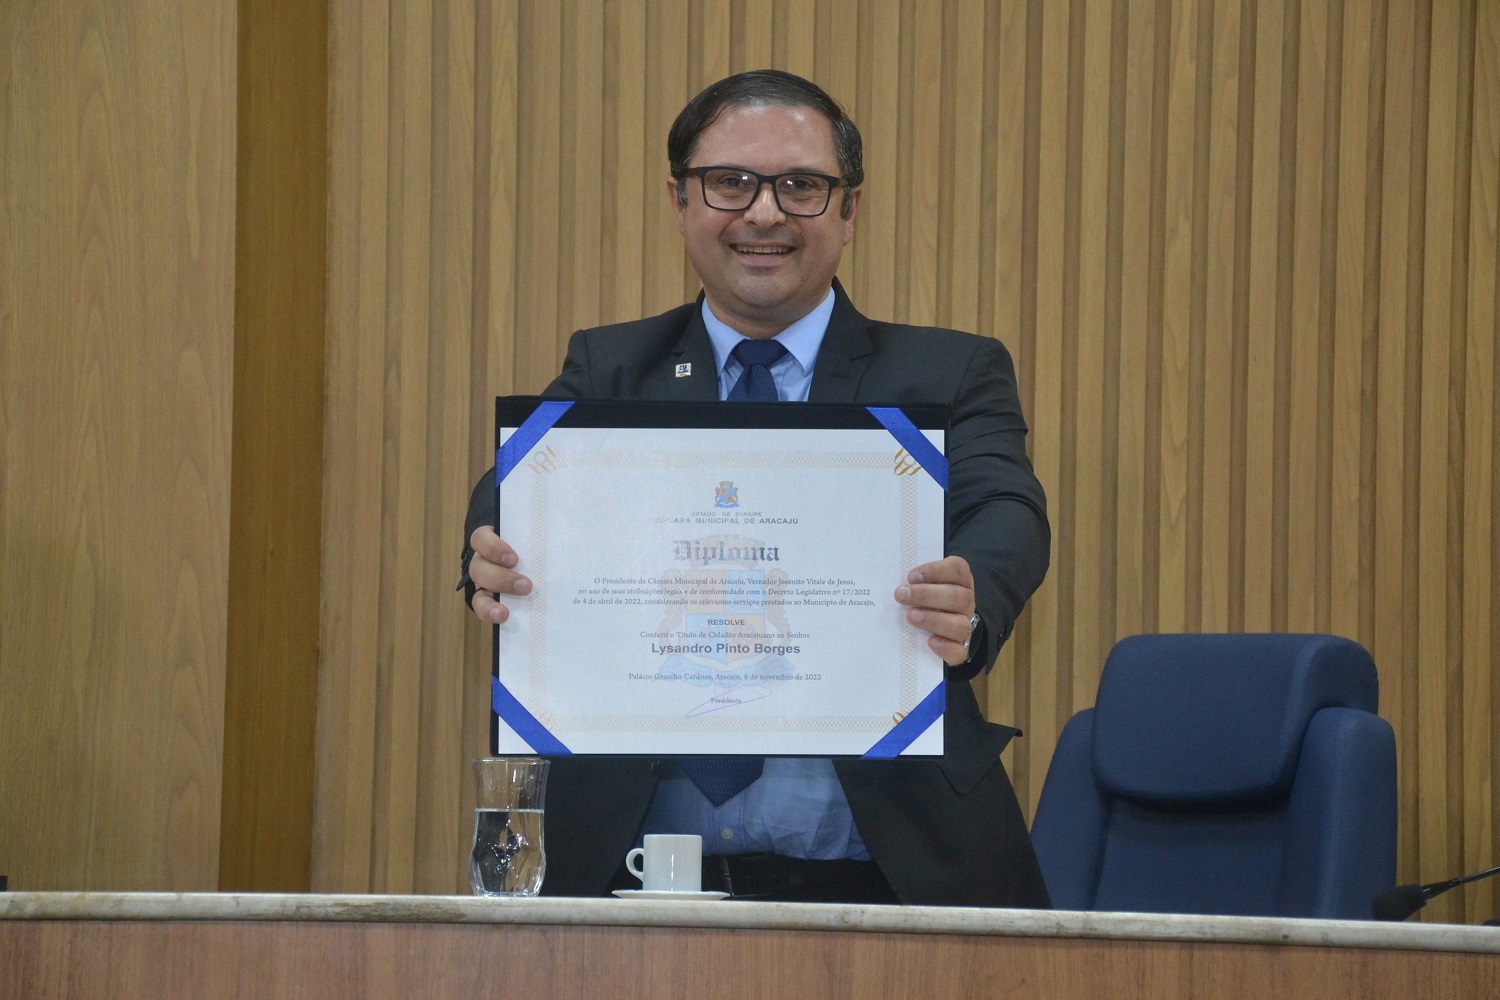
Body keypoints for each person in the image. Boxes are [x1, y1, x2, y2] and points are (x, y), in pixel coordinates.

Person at [461, 70, 1050, 907]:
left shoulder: (949, 371)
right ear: (680, 202)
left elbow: (1007, 509)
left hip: (895, 878)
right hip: (633, 893)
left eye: (802, 187)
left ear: (849, 213)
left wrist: (974, 591)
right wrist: (489, 547)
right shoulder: (610, 367)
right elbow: (513, 492)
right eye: (730, 183)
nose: (765, 213)